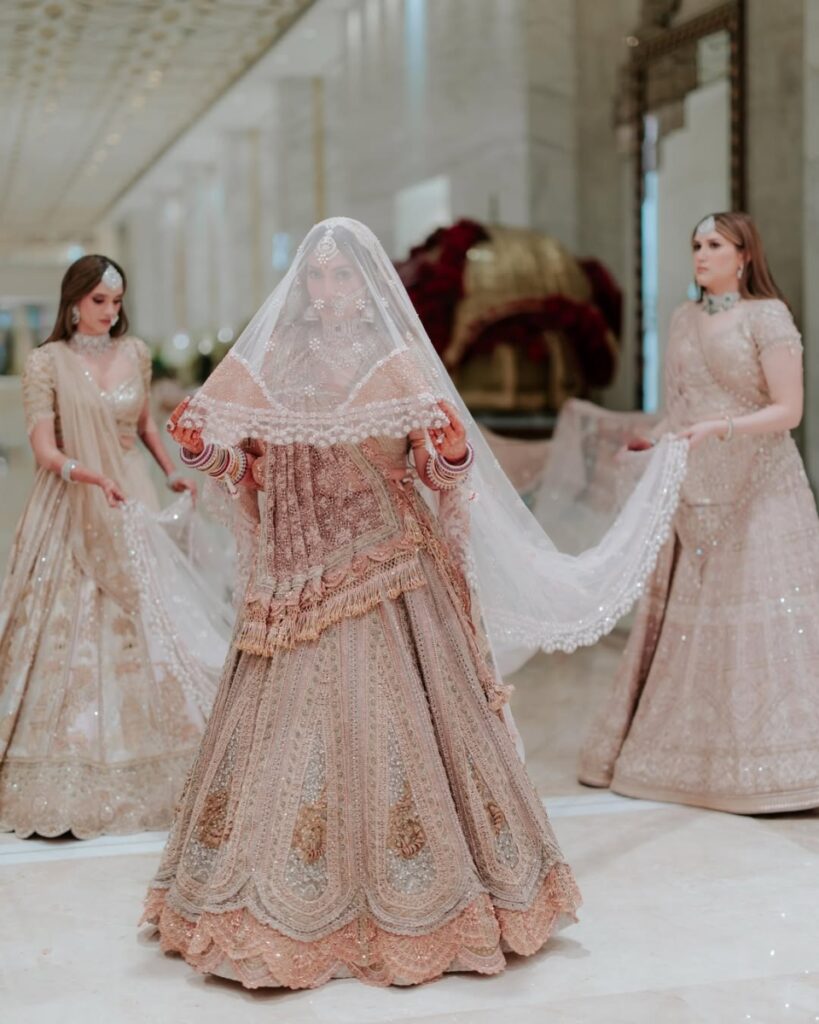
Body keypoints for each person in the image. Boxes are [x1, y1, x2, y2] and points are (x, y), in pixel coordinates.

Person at [141, 218, 687, 990]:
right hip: (297, 584)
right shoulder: (275, 365)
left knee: (399, 734)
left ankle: (423, 903)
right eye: (316, 277)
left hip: (391, 574)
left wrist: (450, 450)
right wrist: (203, 451)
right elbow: (248, 471)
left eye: (341, 277)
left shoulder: (396, 365)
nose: (327, 291)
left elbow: (436, 475)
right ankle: (276, 904)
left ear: (367, 288)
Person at [579, 211, 819, 814]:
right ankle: (699, 764)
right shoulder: (684, 319)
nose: (702, 254)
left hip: (763, 487)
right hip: (698, 493)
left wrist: (720, 428)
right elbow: (683, 410)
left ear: (744, 255)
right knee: (699, 629)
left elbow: (789, 410)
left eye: (715, 244)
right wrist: (653, 439)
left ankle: (783, 769)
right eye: (696, 244)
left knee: (767, 622)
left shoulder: (768, 316)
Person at [0, 255, 229, 839]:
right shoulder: (46, 362)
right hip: (72, 499)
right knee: (71, 617)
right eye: (98, 300)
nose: (109, 311)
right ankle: (66, 761)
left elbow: (146, 424)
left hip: (132, 495)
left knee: (151, 613)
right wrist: (88, 475)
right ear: (74, 301)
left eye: (117, 301)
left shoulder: (137, 353)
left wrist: (170, 471)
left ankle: (167, 752)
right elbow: (44, 449)